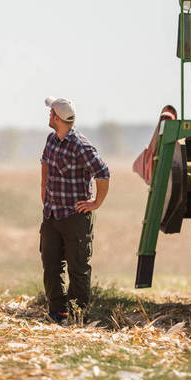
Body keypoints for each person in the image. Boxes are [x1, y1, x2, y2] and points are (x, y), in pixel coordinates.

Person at [40, 96, 110, 323]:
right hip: (51, 215)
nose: (48, 115)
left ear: (56, 117)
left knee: (78, 267)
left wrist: (96, 203)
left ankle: (77, 315)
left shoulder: (80, 145)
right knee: (51, 265)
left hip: (75, 217)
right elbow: (45, 162)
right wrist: (43, 187)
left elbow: (103, 172)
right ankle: (57, 312)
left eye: (50, 113)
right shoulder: (52, 140)